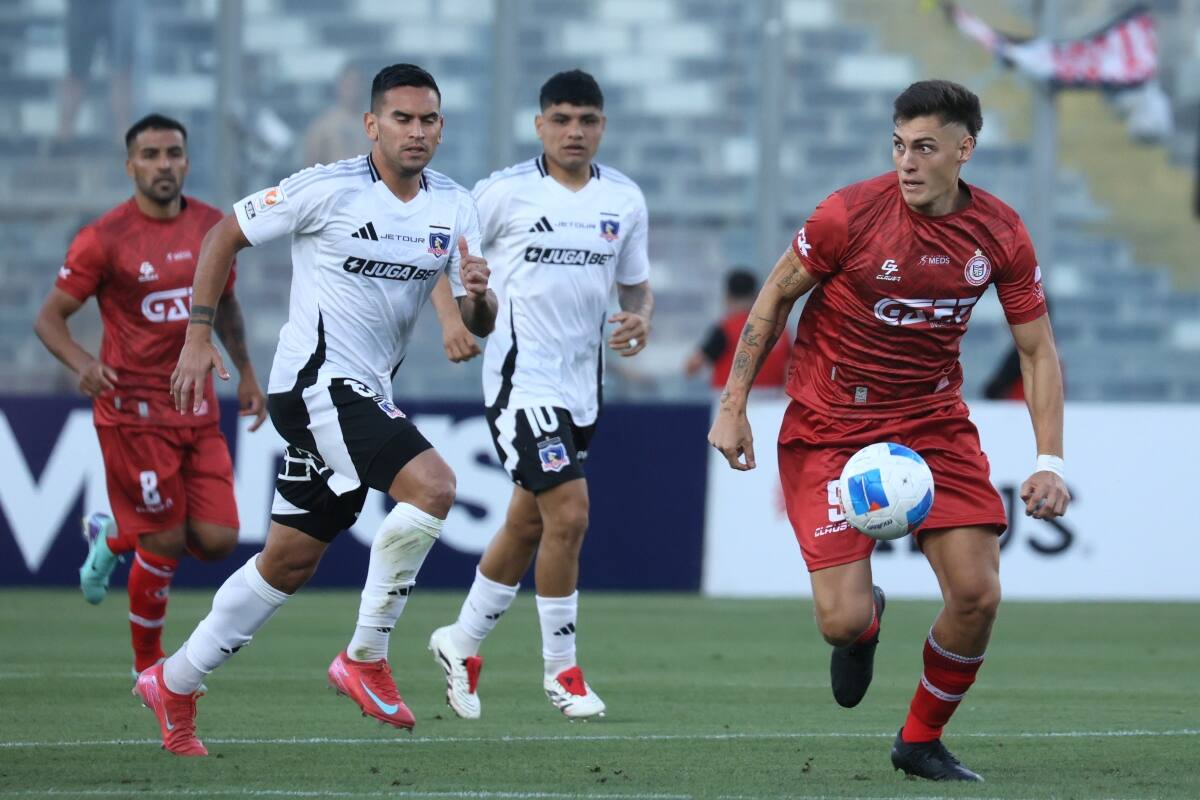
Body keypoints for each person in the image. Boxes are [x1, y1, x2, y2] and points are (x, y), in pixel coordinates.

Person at [708, 80, 1069, 781]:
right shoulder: (848, 215)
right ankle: (866, 620)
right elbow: (777, 294)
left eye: (925, 148)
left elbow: (1036, 350)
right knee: (839, 623)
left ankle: (920, 739)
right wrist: (734, 404)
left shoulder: (998, 233)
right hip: (831, 424)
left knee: (977, 594)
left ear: (964, 150)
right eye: (899, 146)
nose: (907, 162)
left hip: (933, 421)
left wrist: (1049, 458)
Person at [134, 63, 496, 756]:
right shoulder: (325, 188)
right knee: (436, 486)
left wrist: (477, 294)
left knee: (289, 560)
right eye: (401, 118)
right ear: (372, 124)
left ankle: (174, 681)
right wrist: (197, 335)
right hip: (312, 387)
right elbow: (222, 237)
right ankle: (366, 654)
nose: (416, 132)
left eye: (428, 120)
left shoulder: (455, 206)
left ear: (441, 127)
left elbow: (478, 316)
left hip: (365, 393)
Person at [426, 69, 652, 720]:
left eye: (586, 120)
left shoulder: (626, 201)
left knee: (528, 522)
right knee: (571, 513)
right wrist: (465, 310)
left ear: (602, 125)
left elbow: (635, 285)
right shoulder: (501, 193)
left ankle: (461, 642)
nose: (573, 131)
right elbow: (455, 273)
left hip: (584, 387)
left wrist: (642, 316)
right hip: (522, 380)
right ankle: (562, 671)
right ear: (540, 125)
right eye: (561, 119)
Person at [33, 113, 266, 680]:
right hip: (133, 414)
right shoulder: (104, 239)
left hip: (198, 409)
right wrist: (84, 364)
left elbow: (227, 305)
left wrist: (247, 373)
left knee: (217, 540)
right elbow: (49, 319)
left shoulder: (213, 227)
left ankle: (113, 532)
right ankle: (149, 670)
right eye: (151, 154)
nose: (164, 164)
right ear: (130, 165)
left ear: (187, 160)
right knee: (162, 541)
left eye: (174, 153)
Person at [684, 268, 791, 388]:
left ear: (727, 297)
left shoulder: (724, 330)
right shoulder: (780, 329)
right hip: (774, 403)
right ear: (757, 296)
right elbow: (791, 370)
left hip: (733, 402)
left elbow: (691, 367)